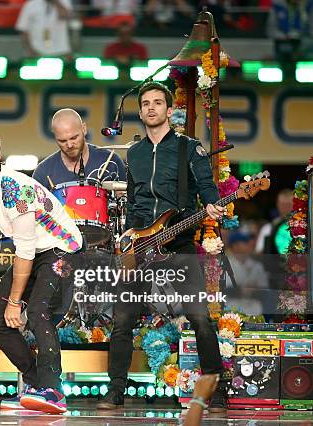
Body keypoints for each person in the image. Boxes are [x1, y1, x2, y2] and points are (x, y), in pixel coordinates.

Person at [98, 82, 228, 412]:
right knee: (123, 319)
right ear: (140, 112)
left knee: (199, 318)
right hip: (141, 244)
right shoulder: (136, 152)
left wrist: (213, 205)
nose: (151, 108)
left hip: (179, 243)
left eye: (158, 102)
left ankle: (216, 387)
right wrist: (129, 233)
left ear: (170, 111)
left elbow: (207, 188)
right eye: (145, 103)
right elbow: (134, 200)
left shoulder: (188, 148)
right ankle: (116, 391)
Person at [0, 128, 83, 414]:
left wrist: (15, 302)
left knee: (37, 312)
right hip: (32, 252)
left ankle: (54, 391)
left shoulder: (17, 189)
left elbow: (24, 250)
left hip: (60, 249)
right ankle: (35, 384)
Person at [33, 108, 126, 190]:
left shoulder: (110, 161)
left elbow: (127, 202)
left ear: (84, 129)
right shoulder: (43, 172)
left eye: (74, 138)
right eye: (62, 141)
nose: (69, 145)